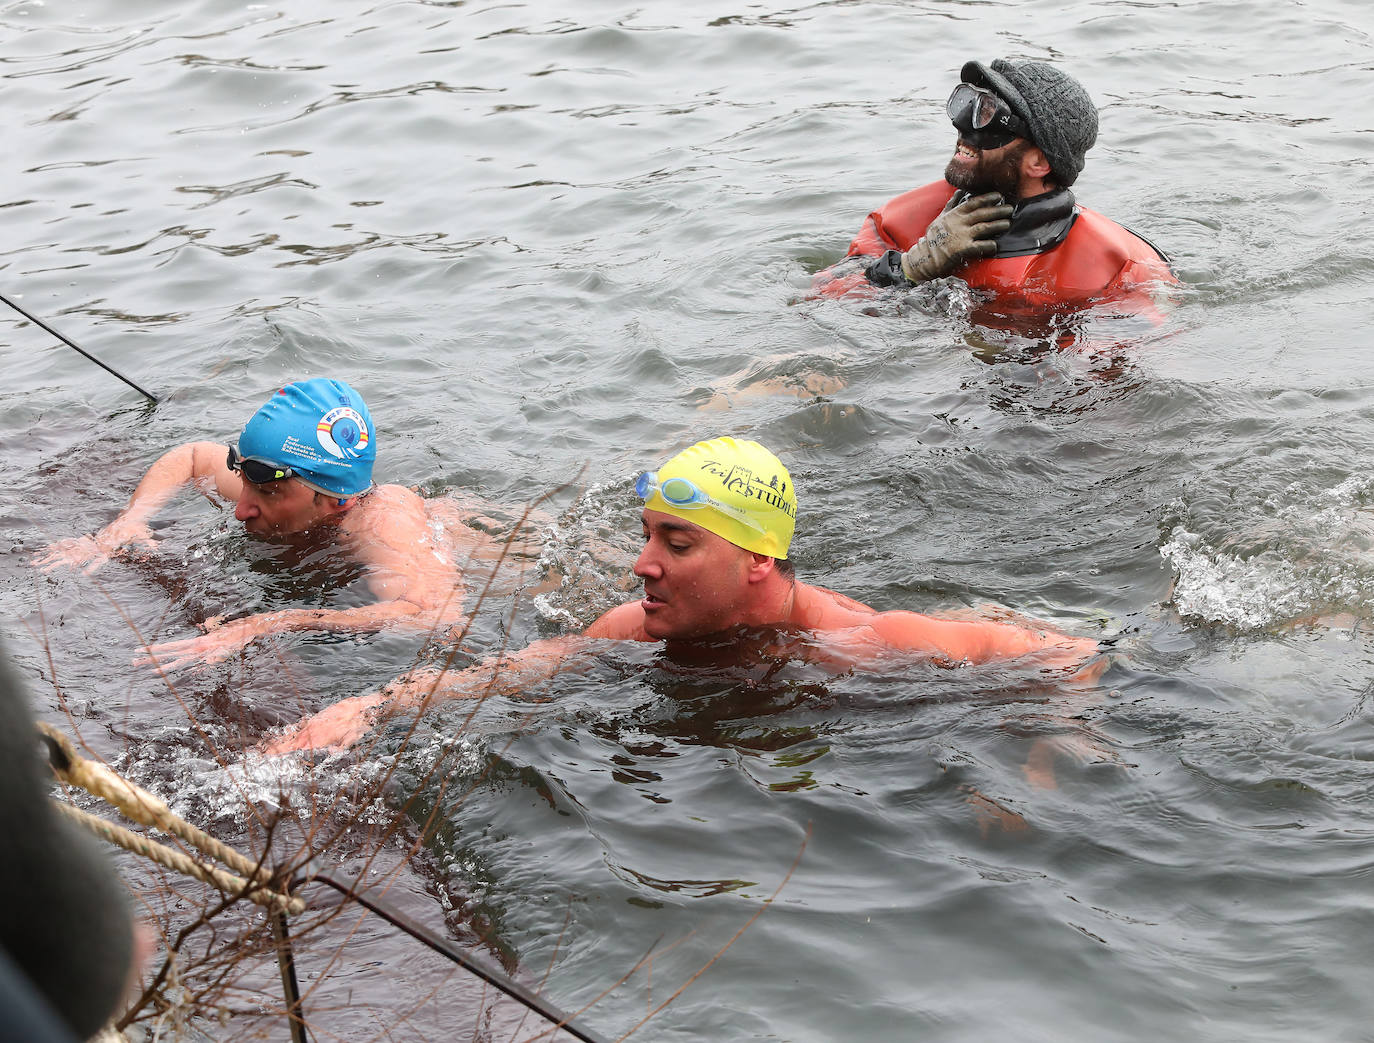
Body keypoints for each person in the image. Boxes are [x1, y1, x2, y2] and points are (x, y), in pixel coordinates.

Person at [269, 436, 1102, 753]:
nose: (641, 565)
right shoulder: (630, 627)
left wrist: (1041, 753)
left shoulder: (875, 640)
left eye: (676, 543)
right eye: (646, 536)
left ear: (758, 564)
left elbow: (1071, 651)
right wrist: (367, 708)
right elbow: (516, 669)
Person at [40, 378, 505, 672]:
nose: (242, 508)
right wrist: (127, 524)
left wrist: (267, 624)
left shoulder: (381, 526)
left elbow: (435, 617)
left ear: (336, 499)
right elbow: (194, 456)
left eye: (266, 492)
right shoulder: (279, 480)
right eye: (242, 479)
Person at [812, 58, 1179, 317]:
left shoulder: (1119, 267)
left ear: (1039, 162)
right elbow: (820, 305)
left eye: (989, 115)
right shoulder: (900, 223)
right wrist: (909, 268)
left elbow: (1128, 389)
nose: (963, 128)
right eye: (968, 103)